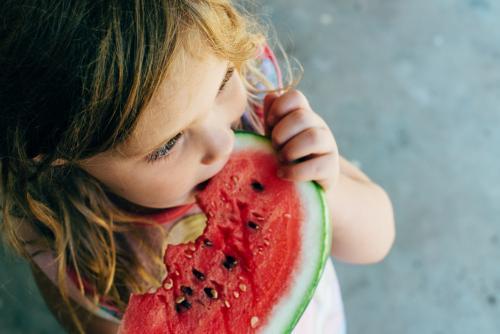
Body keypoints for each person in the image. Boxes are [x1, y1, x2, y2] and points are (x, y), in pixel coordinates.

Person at [0, 1, 395, 333]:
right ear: (59, 158)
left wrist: (323, 185)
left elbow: (376, 239)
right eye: (168, 144)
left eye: (224, 81)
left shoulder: (263, 115)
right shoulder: (65, 244)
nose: (223, 142)